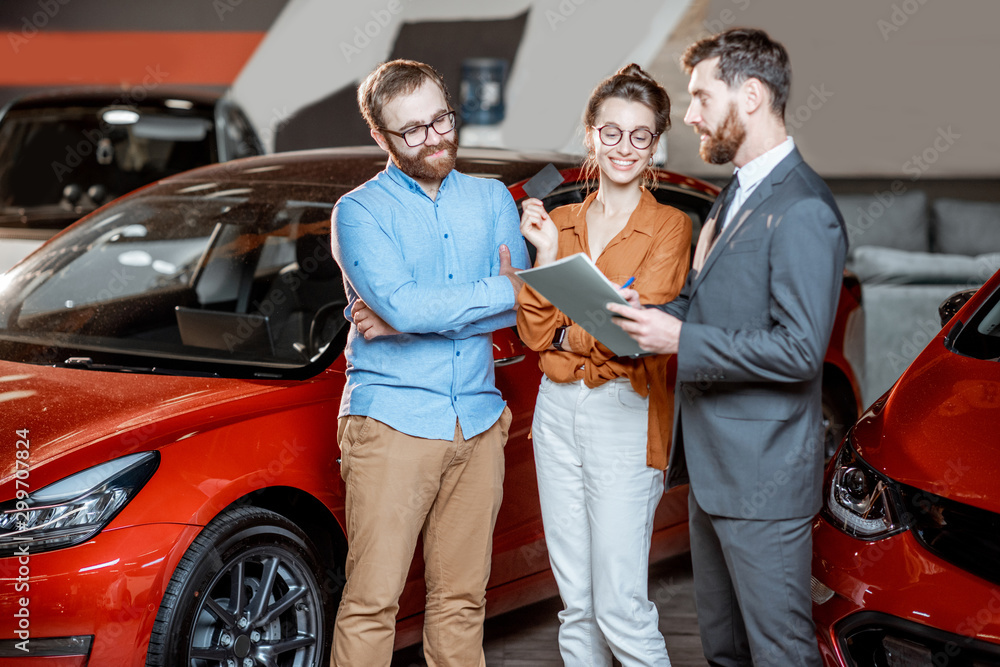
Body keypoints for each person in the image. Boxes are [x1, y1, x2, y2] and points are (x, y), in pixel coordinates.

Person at [608, 29, 847, 667]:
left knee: (780, 654)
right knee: (724, 653)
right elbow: (700, 303)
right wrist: (647, 316)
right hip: (712, 477)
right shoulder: (733, 194)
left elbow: (800, 351)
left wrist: (683, 339)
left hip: (764, 481)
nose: (688, 116)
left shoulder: (803, 210)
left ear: (750, 94)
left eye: (699, 98)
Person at [328, 59, 529, 666]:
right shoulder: (358, 211)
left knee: (463, 599)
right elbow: (483, 295)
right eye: (411, 130)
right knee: (372, 603)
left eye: (440, 118)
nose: (434, 137)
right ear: (380, 138)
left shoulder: (492, 197)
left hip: (477, 418)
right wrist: (409, 311)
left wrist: (403, 318)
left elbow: (522, 302)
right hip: (391, 422)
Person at [516, 64, 691, 666]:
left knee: (620, 604)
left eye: (640, 135)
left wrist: (575, 327)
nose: (624, 147)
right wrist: (545, 257)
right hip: (555, 411)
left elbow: (633, 340)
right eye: (611, 132)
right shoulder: (557, 224)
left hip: (627, 409)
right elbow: (535, 333)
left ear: (655, 145)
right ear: (590, 135)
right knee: (576, 605)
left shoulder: (670, 225)